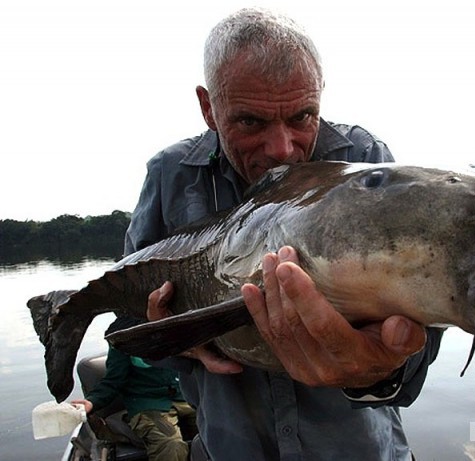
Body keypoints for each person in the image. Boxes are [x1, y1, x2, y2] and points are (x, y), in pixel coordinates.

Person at [125, 7, 444, 461]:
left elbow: (420, 341)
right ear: (208, 107)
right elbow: (131, 319)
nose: (282, 149)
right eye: (251, 122)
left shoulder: (365, 161)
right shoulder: (170, 176)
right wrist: (183, 345)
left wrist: (381, 366)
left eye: (302, 116)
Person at [72, 316, 198, 461]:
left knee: (220, 432)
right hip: (149, 404)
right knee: (170, 445)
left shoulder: (181, 323)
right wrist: (92, 402)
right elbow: (113, 380)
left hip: (186, 398)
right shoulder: (122, 334)